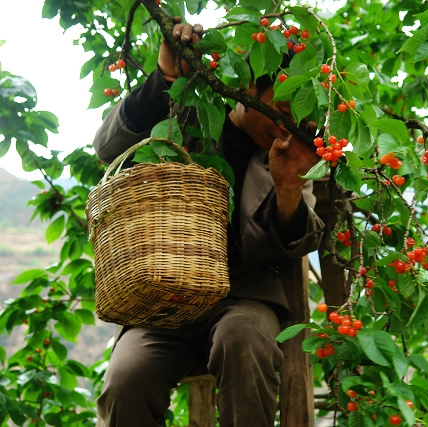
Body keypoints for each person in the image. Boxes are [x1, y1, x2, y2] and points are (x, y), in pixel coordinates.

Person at [93, 18, 324, 427]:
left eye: (295, 117)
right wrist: (165, 77)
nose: (284, 125)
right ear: (250, 88)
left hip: (243, 299)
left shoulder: (287, 153)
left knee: (244, 342)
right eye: (280, 109)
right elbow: (107, 146)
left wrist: (289, 189)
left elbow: (299, 240)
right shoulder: (186, 116)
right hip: (162, 304)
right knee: (126, 379)